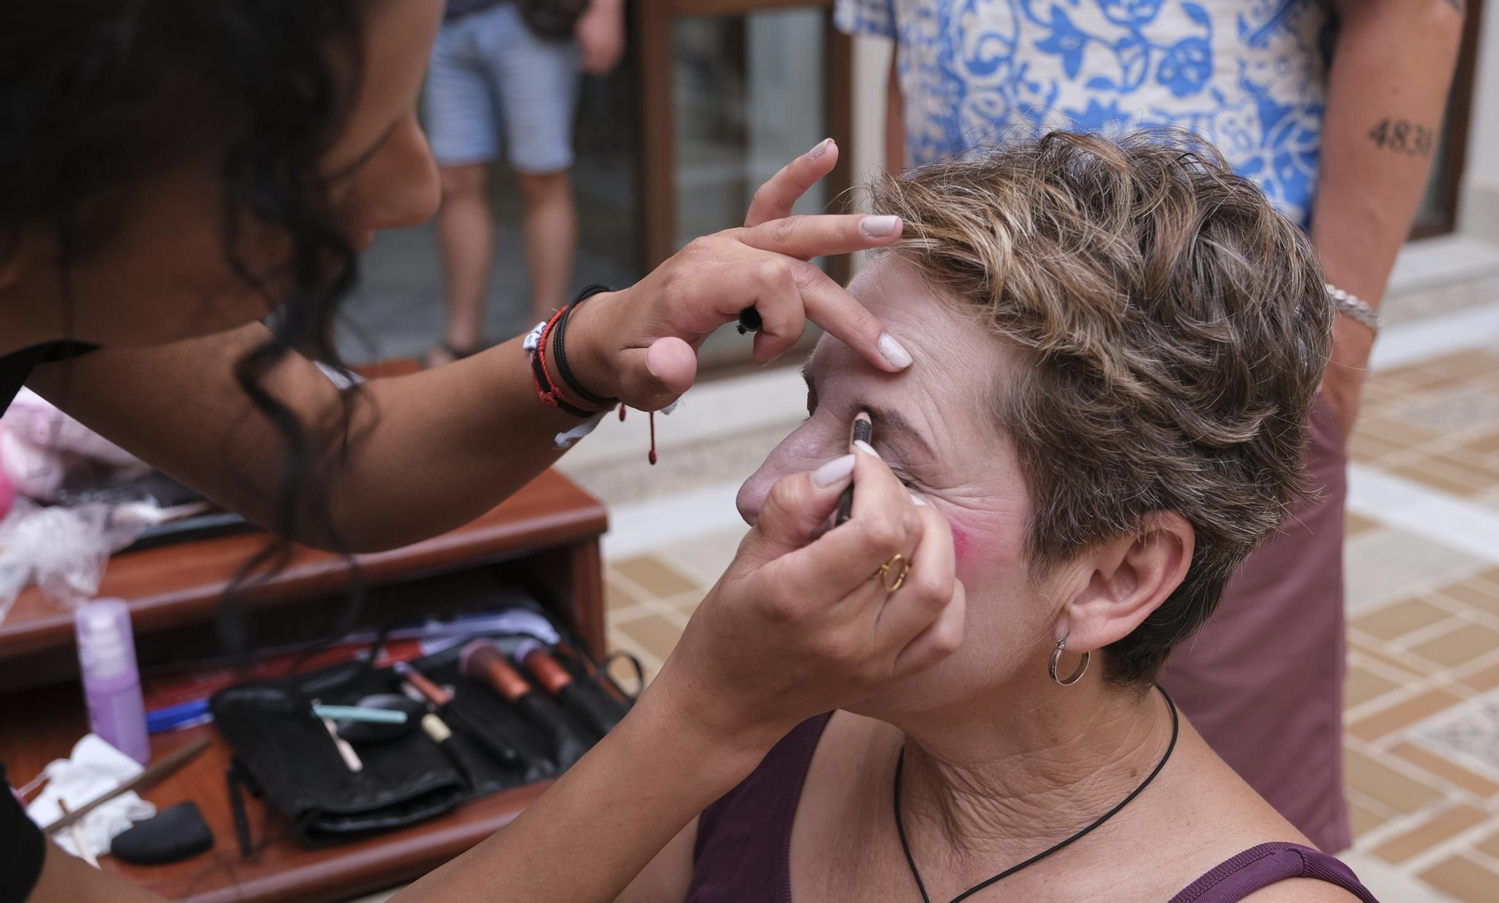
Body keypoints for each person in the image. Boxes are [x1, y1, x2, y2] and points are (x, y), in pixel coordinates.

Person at [1, 1, 961, 900]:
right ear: (62, 157)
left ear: (1116, 571)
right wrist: (708, 716)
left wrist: (590, 345)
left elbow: (335, 458)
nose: (422, 189)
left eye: (880, 439)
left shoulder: (49, 261)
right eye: (359, 139)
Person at [619, 130, 1371, 903]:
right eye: (815, 405)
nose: (759, 490)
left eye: (879, 447)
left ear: (1116, 576)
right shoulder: (764, 722)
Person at [834, 0, 1467, 851]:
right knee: (938, 730)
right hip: (960, 357)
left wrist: (1340, 331)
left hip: (1199, 362)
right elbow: (910, 56)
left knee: (1238, 767)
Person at [424, 0, 624, 367]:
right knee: (453, 182)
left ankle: (545, 336)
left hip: (531, 18)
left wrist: (606, 7)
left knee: (542, 178)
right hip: (442, 20)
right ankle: (461, 339)